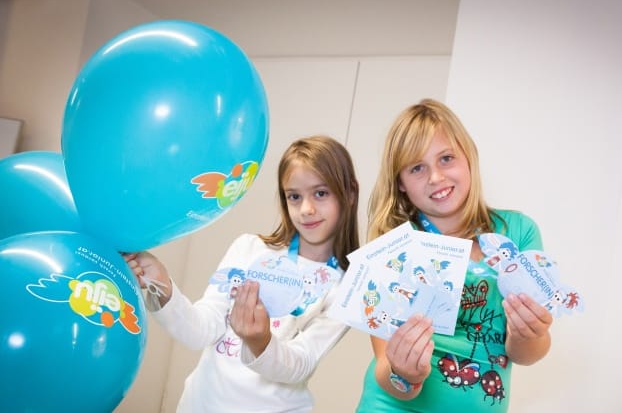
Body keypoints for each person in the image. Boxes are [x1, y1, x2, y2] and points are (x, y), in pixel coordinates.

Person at [124, 135, 359, 413]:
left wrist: (260, 342)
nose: (306, 209)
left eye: (320, 193)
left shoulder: (346, 288)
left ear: (349, 194)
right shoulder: (250, 248)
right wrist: (162, 286)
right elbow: (201, 330)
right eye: (294, 196)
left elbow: (301, 363)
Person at [355, 99, 553, 412]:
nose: (435, 177)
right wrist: (403, 373)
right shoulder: (393, 248)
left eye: (446, 158)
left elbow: (526, 354)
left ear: (468, 156)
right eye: (417, 168)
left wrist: (531, 332)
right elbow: (386, 370)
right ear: (401, 183)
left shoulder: (517, 233)